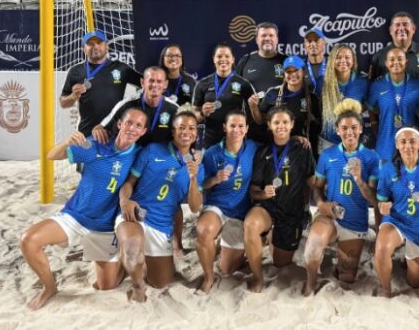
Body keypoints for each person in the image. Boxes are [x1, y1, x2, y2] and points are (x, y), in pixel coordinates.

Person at [19, 107, 148, 310]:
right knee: (29, 241)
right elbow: (52, 155)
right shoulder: (96, 144)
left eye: (138, 125)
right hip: (75, 216)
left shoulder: (139, 156)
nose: (132, 128)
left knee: (106, 286)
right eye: (129, 123)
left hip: (104, 226)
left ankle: (120, 259)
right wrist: (67, 142)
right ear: (119, 124)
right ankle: (49, 288)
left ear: (143, 131)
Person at [115, 106, 204, 302]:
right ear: (173, 131)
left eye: (191, 128)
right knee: (131, 251)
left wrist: (193, 178)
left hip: (162, 226)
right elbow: (129, 183)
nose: (186, 132)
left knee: (161, 282)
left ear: (196, 134)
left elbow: (195, 207)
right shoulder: (152, 150)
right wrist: (124, 201)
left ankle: (135, 258)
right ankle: (137, 287)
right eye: (181, 128)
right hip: (136, 214)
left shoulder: (198, 166)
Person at [304, 99, 380, 296]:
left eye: (354, 127)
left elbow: (373, 200)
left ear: (361, 129)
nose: (349, 132)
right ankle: (311, 283)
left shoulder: (371, 157)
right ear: (337, 130)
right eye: (344, 128)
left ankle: (338, 260)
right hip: (330, 216)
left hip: (355, 222)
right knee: (313, 246)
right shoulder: (327, 155)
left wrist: (359, 179)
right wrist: (321, 203)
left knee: (347, 276)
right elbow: (317, 187)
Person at [244, 106, 315, 292]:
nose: (281, 126)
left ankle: (271, 235)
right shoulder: (263, 152)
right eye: (276, 122)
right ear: (269, 125)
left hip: (292, 211)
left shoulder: (303, 149)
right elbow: (253, 192)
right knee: (251, 224)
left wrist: (326, 185)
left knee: (280, 263)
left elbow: (311, 180)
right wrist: (263, 194)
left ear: (292, 124)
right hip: (268, 207)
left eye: (285, 122)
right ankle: (258, 279)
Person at [374, 127, 419, 298]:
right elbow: (381, 199)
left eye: (412, 141)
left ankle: (406, 259)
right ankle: (386, 291)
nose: (408, 146)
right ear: (397, 145)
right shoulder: (388, 169)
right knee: (382, 248)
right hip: (396, 220)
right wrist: (383, 206)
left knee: (416, 283)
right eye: (403, 142)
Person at [197, 110, 259, 293]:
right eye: (232, 125)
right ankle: (208, 277)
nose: (236, 130)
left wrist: (298, 140)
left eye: (241, 126)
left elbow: (279, 144)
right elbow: (202, 184)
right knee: (204, 231)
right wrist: (215, 179)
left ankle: (223, 247)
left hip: (240, 211)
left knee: (227, 269)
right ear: (225, 127)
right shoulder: (212, 153)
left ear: (247, 129)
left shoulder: (253, 147)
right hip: (217, 207)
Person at [59, 30, 141, 137]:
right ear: (84, 49)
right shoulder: (76, 71)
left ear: (107, 46)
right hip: (86, 134)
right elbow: (63, 103)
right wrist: (73, 96)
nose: (95, 47)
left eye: (99, 43)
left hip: (115, 133)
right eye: (90, 44)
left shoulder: (121, 68)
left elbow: (146, 84)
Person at [93, 66, 179, 147]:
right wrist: (97, 130)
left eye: (159, 81)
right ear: (142, 82)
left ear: (165, 84)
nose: (154, 85)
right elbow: (101, 127)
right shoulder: (126, 104)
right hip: (130, 155)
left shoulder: (175, 109)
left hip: (159, 156)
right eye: (151, 81)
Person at [367, 47, 419, 161]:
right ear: (386, 63)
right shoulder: (377, 86)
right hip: (385, 147)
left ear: (406, 61)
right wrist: (374, 123)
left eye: (400, 59)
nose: (396, 62)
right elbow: (371, 108)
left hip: (409, 148)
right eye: (392, 59)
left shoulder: (417, 85)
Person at [251, 55, 321, 151]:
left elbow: (317, 126)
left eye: (296, 70)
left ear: (303, 72)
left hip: (301, 148)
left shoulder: (311, 99)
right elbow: (260, 121)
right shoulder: (272, 93)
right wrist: (253, 106)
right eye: (288, 71)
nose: (293, 74)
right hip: (274, 147)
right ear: (284, 74)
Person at [192, 44, 255, 148]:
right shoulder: (202, 84)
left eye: (227, 56)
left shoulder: (243, 84)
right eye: (219, 56)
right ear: (214, 59)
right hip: (210, 141)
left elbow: (254, 114)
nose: (223, 59)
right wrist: (202, 113)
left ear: (233, 59)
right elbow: (194, 117)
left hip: (235, 139)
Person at [235, 22, 286, 144]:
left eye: (271, 35)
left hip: (280, 128)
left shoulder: (286, 61)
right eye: (263, 35)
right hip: (251, 131)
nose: (267, 38)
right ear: (257, 39)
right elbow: (235, 92)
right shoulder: (245, 61)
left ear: (277, 39)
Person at [319, 44, 369, 153]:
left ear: (353, 61)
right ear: (332, 60)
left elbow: (367, 108)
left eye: (347, 57)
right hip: (328, 141)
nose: (343, 61)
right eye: (338, 57)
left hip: (353, 141)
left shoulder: (362, 83)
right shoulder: (323, 83)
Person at [368, 11, 419, 80]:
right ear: (391, 30)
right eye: (397, 25)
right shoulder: (379, 57)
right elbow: (372, 84)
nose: (401, 28)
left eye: (405, 24)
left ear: (413, 29)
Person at [301, 27, 328, 95]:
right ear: (304, 45)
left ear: (324, 43)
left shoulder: (333, 64)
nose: (313, 44)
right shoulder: (300, 67)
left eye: (316, 40)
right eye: (309, 41)